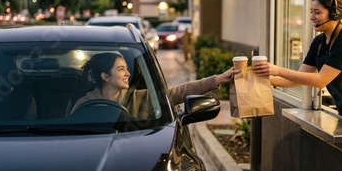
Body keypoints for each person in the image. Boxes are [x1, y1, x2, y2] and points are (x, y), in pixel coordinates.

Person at [252, 0, 342, 120]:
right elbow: (297, 79)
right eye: (311, 12)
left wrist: (278, 70)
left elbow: (321, 80)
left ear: (334, 14)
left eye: (317, 12)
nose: (311, 17)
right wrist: (263, 81)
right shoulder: (319, 42)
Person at [70, 52, 238, 119]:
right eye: (121, 69)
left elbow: (179, 92)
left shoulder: (141, 98)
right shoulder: (83, 104)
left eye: (127, 69)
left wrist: (217, 79)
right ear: (105, 76)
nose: (128, 73)